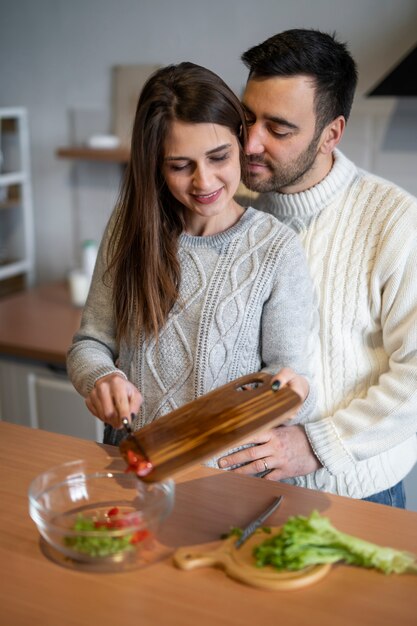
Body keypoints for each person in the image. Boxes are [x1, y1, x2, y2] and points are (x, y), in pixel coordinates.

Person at [66, 62, 317, 471]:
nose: (204, 181)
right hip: (133, 468)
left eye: (218, 157)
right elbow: (89, 345)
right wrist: (100, 379)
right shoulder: (130, 230)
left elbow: (288, 377)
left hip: (223, 481)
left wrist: (294, 392)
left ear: (240, 143)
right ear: (156, 166)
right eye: (180, 166)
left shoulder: (276, 249)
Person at [218, 29, 417, 506]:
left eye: (279, 129)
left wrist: (316, 443)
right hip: (233, 485)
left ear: (331, 133)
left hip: (353, 494)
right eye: (247, 119)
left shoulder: (394, 219)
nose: (250, 144)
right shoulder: (227, 207)